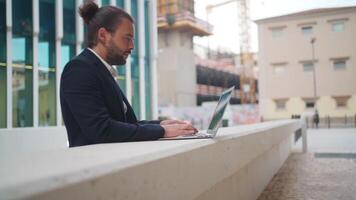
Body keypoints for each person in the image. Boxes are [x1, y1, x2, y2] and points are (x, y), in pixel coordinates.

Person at [60, 1, 197, 147]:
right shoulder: (79, 69)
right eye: (127, 38)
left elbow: (128, 125)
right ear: (103, 35)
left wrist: (162, 124)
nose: (132, 46)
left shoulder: (101, 70)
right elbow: (102, 130)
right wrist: (162, 131)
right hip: (95, 166)